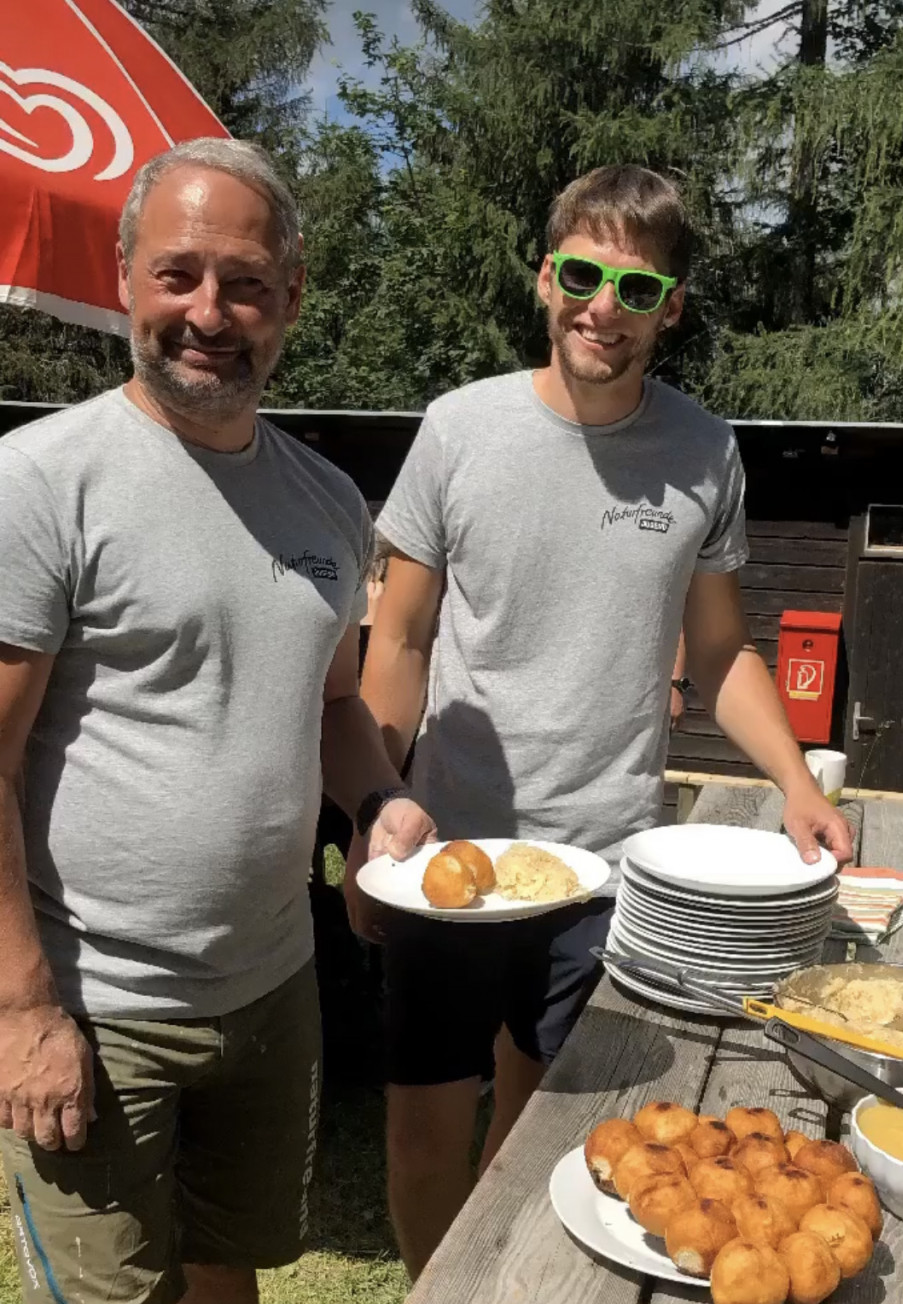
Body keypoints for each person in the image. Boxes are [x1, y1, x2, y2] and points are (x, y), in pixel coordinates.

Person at [351, 164, 853, 1280]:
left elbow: (719, 652)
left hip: (605, 862)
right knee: (425, 1126)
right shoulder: (458, 428)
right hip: (453, 850)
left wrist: (798, 784)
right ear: (546, 277)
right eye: (582, 273)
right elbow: (398, 640)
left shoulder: (704, 451)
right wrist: (373, 814)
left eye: (637, 286)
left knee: (545, 1134)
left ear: (671, 305)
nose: (602, 306)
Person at [0, 137, 434, 1304]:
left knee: (227, 1272)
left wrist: (380, 795)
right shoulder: (40, 481)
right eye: (178, 273)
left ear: (290, 295)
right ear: (124, 271)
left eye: (244, 281)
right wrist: (23, 1004)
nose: (210, 310)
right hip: (96, 1001)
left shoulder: (330, 500)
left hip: (270, 983)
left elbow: (336, 702)